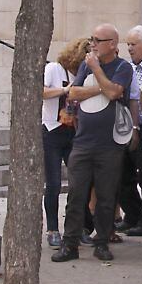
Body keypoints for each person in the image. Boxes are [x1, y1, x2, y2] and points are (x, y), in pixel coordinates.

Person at [51, 24, 133, 263]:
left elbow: (115, 93)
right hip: (83, 142)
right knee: (76, 194)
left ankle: (102, 242)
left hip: (110, 144)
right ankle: (70, 243)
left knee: (106, 196)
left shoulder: (122, 67)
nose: (93, 44)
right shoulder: (85, 65)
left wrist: (97, 71)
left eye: (98, 40)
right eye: (92, 39)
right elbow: (73, 93)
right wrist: (100, 88)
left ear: (112, 44)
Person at [41, 37, 89, 248]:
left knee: (79, 182)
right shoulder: (54, 69)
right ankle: (52, 228)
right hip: (52, 129)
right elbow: (41, 92)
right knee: (52, 183)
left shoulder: (82, 74)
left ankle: (76, 228)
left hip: (73, 131)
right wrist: (65, 90)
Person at [116, 25, 142, 237]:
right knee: (123, 173)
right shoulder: (129, 67)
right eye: (128, 44)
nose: (130, 49)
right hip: (126, 125)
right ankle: (131, 214)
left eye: (133, 44)